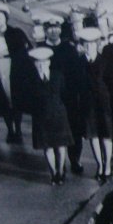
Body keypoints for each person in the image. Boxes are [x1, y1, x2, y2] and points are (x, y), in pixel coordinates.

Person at [0, 3, 32, 143]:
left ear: (6, 19)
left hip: (13, 68)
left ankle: (19, 130)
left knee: (15, 97)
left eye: (0, 18)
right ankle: (10, 130)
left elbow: (25, 51)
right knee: (3, 99)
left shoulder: (15, 33)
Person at [41, 14, 85, 174]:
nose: (54, 31)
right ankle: (59, 166)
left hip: (69, 98)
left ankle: (75, 160)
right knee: (53, 133)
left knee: (74, 131)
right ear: (45, 30)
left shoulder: (69, 49)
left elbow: (78, 74)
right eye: (50, 28)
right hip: (49, 99)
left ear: (61, 29)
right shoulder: (40, 50)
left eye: (57, 27)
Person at [27, 47, 74, 185]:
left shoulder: (58, 75)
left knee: (60, 146)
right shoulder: (31, 79)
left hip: (59, 116)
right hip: (41, 118)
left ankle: (60, 172)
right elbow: (29, 99)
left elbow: (65, 94)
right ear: (35, 64)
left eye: (44, 62)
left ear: (49, 63)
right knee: (47, 147)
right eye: (38, 63)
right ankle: (53, 173)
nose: (41, 65)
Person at [75, 28, 113, 182]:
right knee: (93, 136)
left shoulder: (105, 62)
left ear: (97, 45)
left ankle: (107, 166)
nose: (90, 47)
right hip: (88, 105)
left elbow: (111, 84)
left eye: (93, 44)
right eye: (87, 44)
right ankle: (99, 164)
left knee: (106, 136)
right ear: (83, 46)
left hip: (104, 105)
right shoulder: (79, 63)